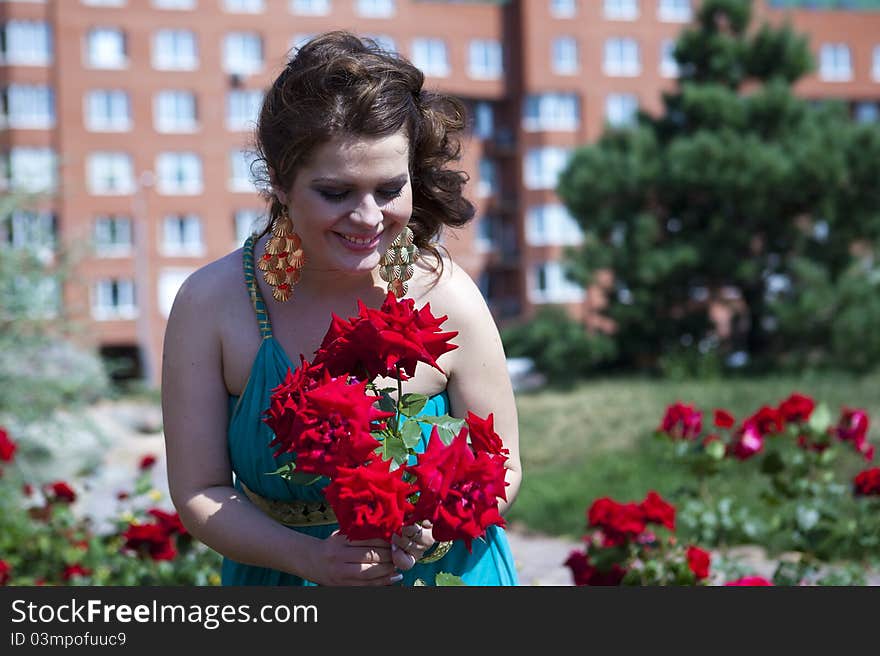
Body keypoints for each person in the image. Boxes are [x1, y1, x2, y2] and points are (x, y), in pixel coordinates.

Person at [161, 31, 522, 586]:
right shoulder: (210, 303)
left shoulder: (448, 293)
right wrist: (306, 558)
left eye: (388, 188)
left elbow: (504, 466)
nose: (368, 217)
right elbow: (198, 491)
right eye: (336, 192)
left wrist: (435, 526)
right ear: (279, 182)